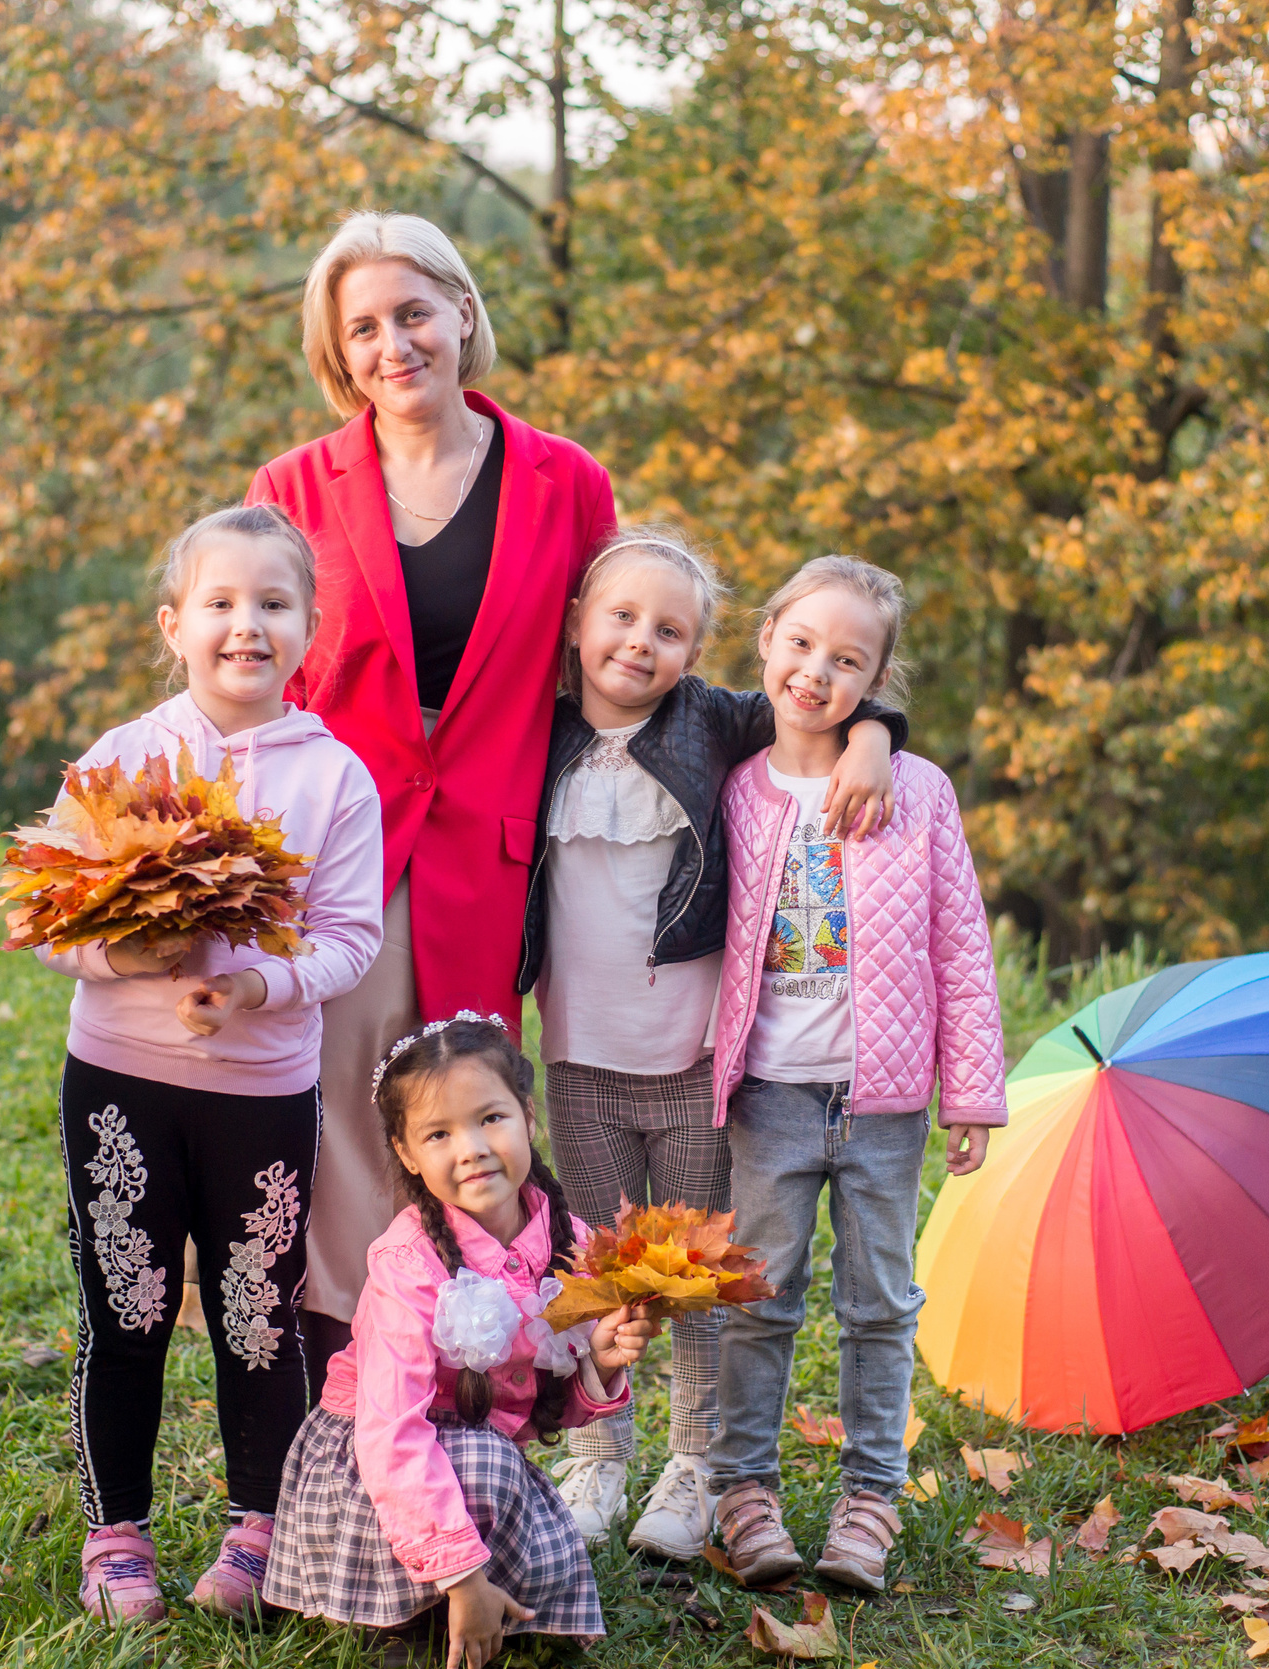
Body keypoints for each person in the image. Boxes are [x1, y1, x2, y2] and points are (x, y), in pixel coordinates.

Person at [246, 208, 893, 1394]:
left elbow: (635, 667)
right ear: (339, 352)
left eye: (415, 314)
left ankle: (479, 1378)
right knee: (346, 1108)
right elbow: (257, 671)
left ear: (463, 315)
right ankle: (353, 1378)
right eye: (366, 328)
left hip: (495, 850)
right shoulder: (291, 485)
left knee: (472, 1118)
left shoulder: (563, 481)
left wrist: (874, 727)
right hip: (345, 839)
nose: (396, 344)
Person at [516, 527, 909, 1558]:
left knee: (693, 1279)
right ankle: (599, 1457)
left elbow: (821, 712)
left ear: (699, 650)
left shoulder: (710, 722)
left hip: (695, 1061)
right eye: (622, 618)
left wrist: (876, 738)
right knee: (600, 1269)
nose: (641, 643)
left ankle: (693, 1467)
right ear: (575, 624)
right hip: (579, 1057)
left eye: (671, 630)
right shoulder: (535, 729)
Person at [38, 505, 384, 1623]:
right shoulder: (119, 760)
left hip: (260, 1092)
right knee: (126, 1308)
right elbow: (53, 921)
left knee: (257, 1312)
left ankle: (258, 1530)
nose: (248, 626)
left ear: (309, 630)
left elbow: (350, 938)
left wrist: (256, 986)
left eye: (273, 605)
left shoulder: (337, 780)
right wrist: (117, 951)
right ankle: (117, 1534)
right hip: (122, 1088)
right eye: (221, 604)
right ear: (173, 625)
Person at [701, 556, 1010, 1595]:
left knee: (880, 1303)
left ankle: (870, 1498)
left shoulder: (915, 791)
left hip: (881, 1102)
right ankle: (743, 1493)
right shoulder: (736, 788)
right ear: (767, 640)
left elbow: (959, 946)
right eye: (799, 645)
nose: (815, 672)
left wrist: (969, 1090)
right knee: (760, 1299)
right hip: (770, 1098)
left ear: (874, 681)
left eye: (846, 661)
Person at [263, 1015, 662, 1669]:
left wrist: (600, 1360)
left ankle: (470, 1602)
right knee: (479, 1464)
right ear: (407, 1151)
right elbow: (391, 1434)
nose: (472, 1147)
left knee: (489, 1464)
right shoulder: (408, 1262)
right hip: (374, 1466)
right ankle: (397, 1612)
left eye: (490, 1118)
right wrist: (463, 1574)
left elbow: (544, 1410)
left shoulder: (570, 1244)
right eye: (440, 1133)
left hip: (477, 1456)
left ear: (527, 1115)